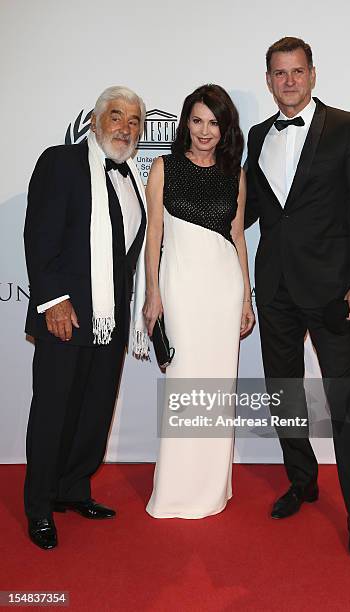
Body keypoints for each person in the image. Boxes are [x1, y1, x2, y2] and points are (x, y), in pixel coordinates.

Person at [245, 37, 350, 559]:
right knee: (283, 393)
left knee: (344, 403)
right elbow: (247, 211)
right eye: (278, 73)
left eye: (296, 72)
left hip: (332, 292)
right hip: (276, 288)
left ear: (312, 75)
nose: (288, 81)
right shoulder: (258, 135)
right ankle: (302, 481)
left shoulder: (348, 127)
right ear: (268, 80)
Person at [24, 86, 148, 549]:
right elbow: (39, 234)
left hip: (108, 320)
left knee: (93, 410)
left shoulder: (132, 176)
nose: (126, 128)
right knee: (53, 411)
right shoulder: (61, 162)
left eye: (134, 121)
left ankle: (73, 489)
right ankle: (39, 506)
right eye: (116, 117)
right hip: (67, 315)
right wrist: (52, 300)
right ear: (95, 121)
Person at [143, 84, 255, 518]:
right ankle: (174, 489)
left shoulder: (235, 175)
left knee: (218, 388)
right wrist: (153, 293)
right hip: (181, 287)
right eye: (197, 120)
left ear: (225, 128)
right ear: (185, 122)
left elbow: (238, 237)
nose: (204, 131)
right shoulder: (164, 167)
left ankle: (211, 488)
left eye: (214, 122)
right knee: (185, 384)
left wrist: (246, 297)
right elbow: (155, 235)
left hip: (222, 290)